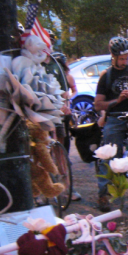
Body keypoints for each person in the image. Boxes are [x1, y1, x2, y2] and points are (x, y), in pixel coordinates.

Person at [93, 37, 128, 212]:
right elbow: (98, 104)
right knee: (109, 154)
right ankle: (103, 193)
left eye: (127, 57)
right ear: (114, 57)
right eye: (121, 58)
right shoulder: (107, 76)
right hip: (116, 117)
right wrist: (118, 100)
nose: (125, 61)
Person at [51, 52, 82, 202]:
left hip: (63, 115)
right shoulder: (48, 75)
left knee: (62, 152)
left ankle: (67, 186)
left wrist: (68, 99)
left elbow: (73, 90)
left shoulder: (67, 76)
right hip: (48, 114)